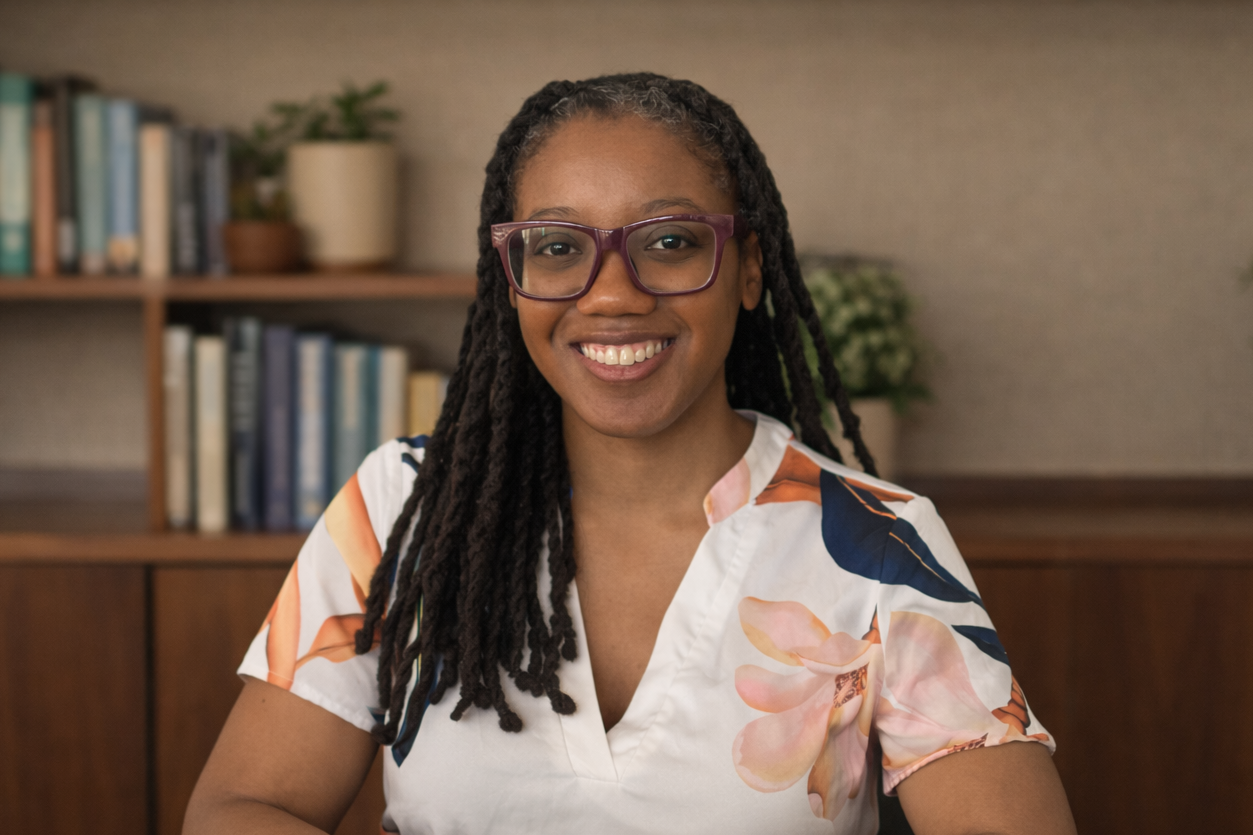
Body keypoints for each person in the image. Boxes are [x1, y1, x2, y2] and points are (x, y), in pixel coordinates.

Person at [186, 73, 1076, 835]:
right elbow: (241, 806)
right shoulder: (400, 508)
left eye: (669, 242)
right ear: (513, 277)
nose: (611, 294)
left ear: (749, 267)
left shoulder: (878, 544)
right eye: (559, 247)